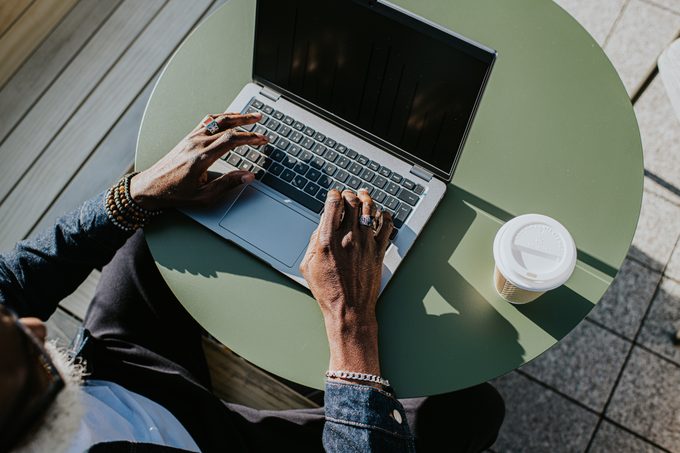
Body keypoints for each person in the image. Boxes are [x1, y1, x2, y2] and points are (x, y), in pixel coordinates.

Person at [0, 112, 504, 452]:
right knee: (467, 410)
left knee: (168, 217)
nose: (35, 327)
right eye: (34, 361)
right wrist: (351, 329)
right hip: (207, 443)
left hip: (112, 373)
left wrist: (137, 195)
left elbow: (15, 281)